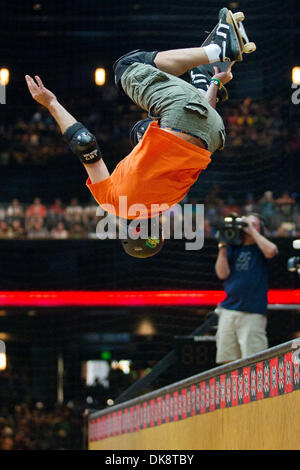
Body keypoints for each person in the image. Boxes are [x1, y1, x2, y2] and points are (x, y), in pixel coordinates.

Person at [26, 7, 243, 258]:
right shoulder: (113, 202)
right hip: (184, 117)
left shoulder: (172, 199)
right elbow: (85, 144)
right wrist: (51, 103)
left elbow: (199, 129)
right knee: (126, 66)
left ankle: (206, 80)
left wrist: (216, 85)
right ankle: (218, 49)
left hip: (214, 131)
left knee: (169, 121)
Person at [215, 213, 278, 364]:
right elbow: (222, 274)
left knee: (254, 361)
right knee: (227, 360)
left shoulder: (261, 248)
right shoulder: (233, 248)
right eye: (245, 225)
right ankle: (230, 388)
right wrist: (222, 246)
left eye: (253, 224)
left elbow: (272, 251)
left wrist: (252, 230)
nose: (247, 228)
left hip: (252, 311)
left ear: (260, 228)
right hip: (228, 309)